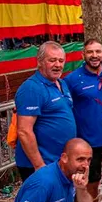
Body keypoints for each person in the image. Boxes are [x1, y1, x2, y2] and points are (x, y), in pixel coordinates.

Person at [15, 41, 77, 180]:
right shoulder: (32, 88)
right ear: (39, 62)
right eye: (52, 60)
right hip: (42, 165)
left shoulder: (61, 83)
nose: (58, 65)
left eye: (61, 60)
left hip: (59, 161)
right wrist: (39, 165)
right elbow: (24, 131)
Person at [65, 39, 102, 200]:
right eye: (90, 52)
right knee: (90, 185)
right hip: (88, 144)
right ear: (83, 54)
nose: (94, 55)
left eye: (98, 51)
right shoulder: (72, 80)